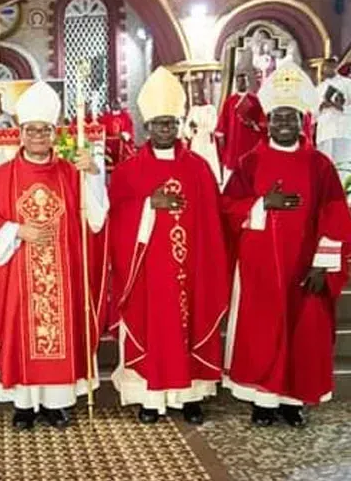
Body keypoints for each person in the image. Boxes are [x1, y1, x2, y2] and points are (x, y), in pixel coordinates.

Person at [223, 63, 351, 427]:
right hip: (260, 268)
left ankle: (294, 402)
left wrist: (322, 265)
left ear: (301, 120)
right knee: (262, 333)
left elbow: (336, 214)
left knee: (303, 334)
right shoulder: (250, 162)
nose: (283, 124)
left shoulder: (319, 165)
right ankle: (263, 403)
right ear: (267, 121)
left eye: (290, 117)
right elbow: (228, 206)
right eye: (277, 117)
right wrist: (263, 203)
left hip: (306, 267)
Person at [0, 81, 109, 430]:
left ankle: (56, 404)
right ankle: (24, 406)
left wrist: (92, 175)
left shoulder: (70, 173)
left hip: (64, 274)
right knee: (20, 333)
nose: (37, 136)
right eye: (31, 130)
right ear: (20, 133)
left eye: (44, 130)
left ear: (54, 133)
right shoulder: (0, 178)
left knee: (61, 331)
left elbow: (96, 219)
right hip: (17, 276)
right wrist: (16, 230)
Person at [109, 67, 229, 425]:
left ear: (179, 125)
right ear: (147, 127)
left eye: (171, 123)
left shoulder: (199, 169)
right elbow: (117, 218)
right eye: (159, 124)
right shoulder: (129, 170)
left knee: (190, 325)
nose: (166, 129)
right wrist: (148, 205)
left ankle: (190, 397)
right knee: (152, 327)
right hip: (148, 271)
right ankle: (149, 398)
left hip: (191, 269)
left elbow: (214, 220)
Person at [215, 73, 267, 181]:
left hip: (250, 141)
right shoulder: (230, 102)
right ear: (236, 83)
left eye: (244, 81)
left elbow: (262, 122)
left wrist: (253, 124)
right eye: (240, 81)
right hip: (234, 141)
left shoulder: (254, 100)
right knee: (235, 175)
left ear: (248, 83)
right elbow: (223, 124)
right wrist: (222, 142)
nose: (242, 83)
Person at [316, 57, 351, 189]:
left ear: (336, 66)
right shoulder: (319, 88)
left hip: (343, 131)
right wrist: (321, 106)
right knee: (326, 166)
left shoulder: (347, 83)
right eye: (326, 66)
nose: (328, 69)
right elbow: (312, 114)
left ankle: (345, 193)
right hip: (325, 132)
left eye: (331, 66)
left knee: (344, 165)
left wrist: (340, 106)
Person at [184, 87, 221, 185]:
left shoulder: (211, 109)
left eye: (201, 95)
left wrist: (202, 129)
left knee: (208, 160)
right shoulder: (193, 110)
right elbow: (187, 127)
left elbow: (213, 125)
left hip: (206, 140)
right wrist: (191, 128)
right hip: (196, 140)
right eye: (197, 95)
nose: (198, 97)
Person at [98, 99, 135, 171]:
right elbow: (101, 127)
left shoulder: (125, 116)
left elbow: (129, 129)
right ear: (111, 105)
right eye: (114, 103)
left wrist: (124, 135)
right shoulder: (106, 117)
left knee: (125, 154)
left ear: (120, 104)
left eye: (117, 103)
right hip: (109, 143)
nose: (116, 105)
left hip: (121, 143)